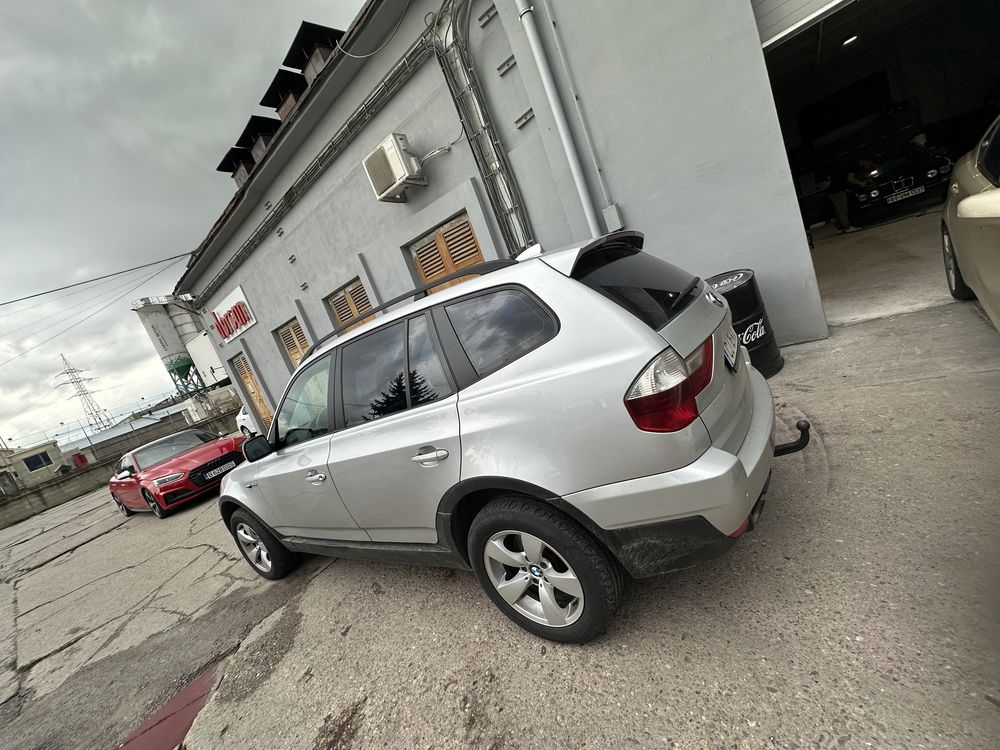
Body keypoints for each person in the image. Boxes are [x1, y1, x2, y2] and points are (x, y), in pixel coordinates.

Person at [828, 157, 878, 233]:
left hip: (834, 190)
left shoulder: (853, 164)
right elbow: (850, 179)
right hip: (837, 190)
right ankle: (847, 227)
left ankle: (840, 227)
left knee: (838, 209)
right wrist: (861, 183)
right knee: (842, 209)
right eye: (870, 165)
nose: (869, 167)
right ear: (866, 161)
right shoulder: (855, 166)